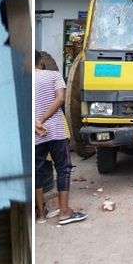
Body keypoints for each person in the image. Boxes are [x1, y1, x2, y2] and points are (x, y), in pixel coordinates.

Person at [34, 51, 86, 225]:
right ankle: (64, 212)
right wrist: (42, 119)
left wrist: (35, 123)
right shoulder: (54, 75)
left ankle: (41, 214)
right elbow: (60, 99)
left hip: (35, 133)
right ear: (41, 62)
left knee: (37, 171)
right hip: (55, 130)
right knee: (63, 168)